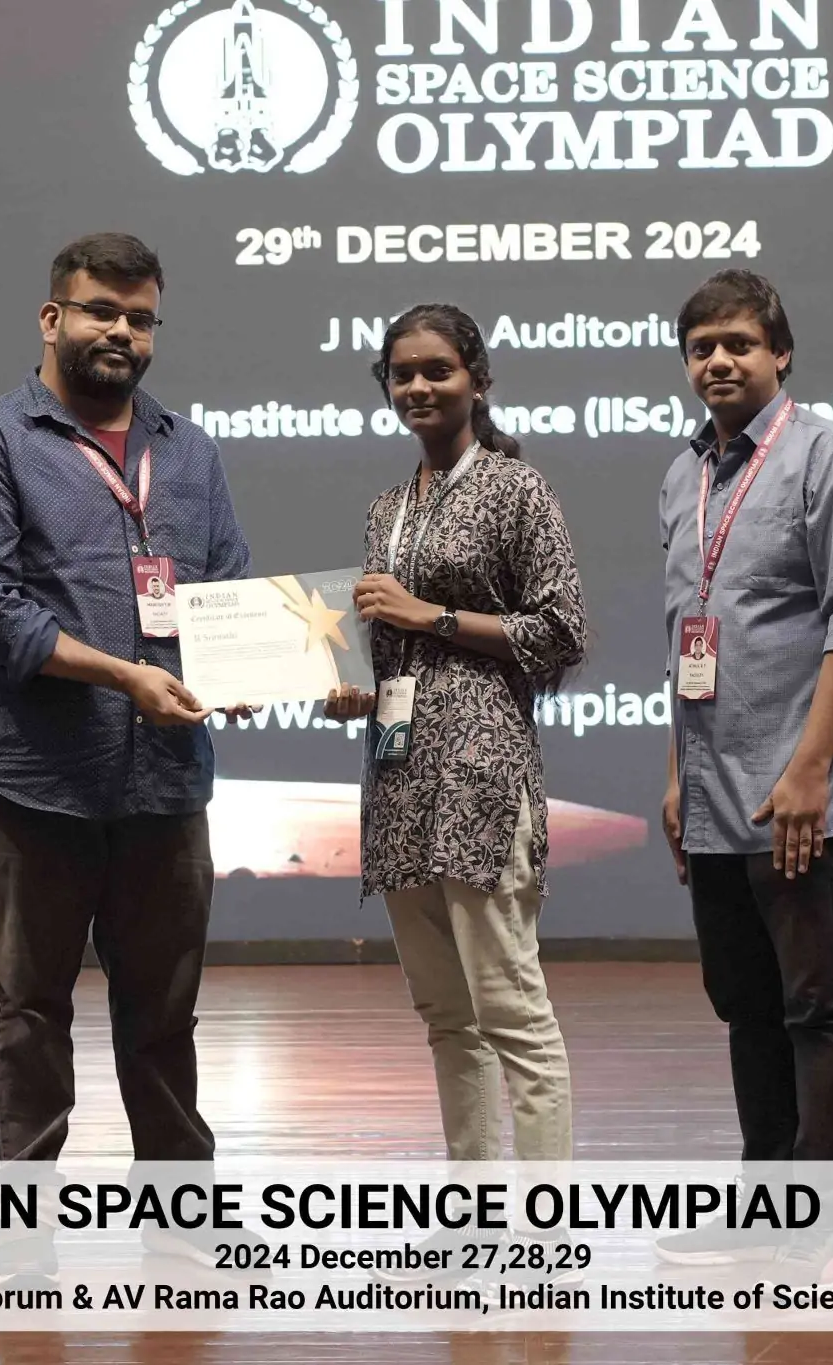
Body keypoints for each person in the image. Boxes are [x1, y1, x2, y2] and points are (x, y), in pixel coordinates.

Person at [0, 233, 254, 1277]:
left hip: (168, 784)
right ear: (51, 317)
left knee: (164, 1014)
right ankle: (24, 1228)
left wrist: (246, 667)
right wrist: (125, 677)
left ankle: (183, 1213)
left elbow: (223, 588)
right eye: (99, 310)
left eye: (139, 317)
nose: (120, 331)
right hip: (40, 785)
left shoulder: (188, 450)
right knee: (31, 1013)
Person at [649, 271, 833, 1289]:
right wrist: (677, 773)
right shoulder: (683, 475)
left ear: (780, 353)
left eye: (738, 344)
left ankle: (832, 1225)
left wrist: (810, 770)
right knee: (746, 1008)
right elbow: (687, 638)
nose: (718, 361)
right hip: (713, 796)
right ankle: (768, 1208)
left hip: (800, 793)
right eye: (701, 347)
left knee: (817, 1004)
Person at [324, 304, 586, 1198]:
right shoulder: (385, 509)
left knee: (511, 1009)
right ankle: (474, 1208)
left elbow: (561, 632)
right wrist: (352, 690)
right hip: (399, 780)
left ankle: (547, 1221)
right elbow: (392, 652)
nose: (418, 386)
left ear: (477, 379)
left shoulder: (518, 488)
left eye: (437, 369)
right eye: (402, 373)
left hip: (481, 778)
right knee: (446, 1015)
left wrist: (430, 615)